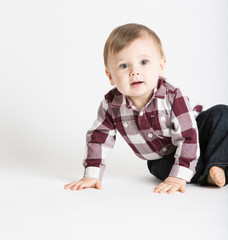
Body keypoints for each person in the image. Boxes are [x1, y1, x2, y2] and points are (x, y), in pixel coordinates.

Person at [64, 23, 228, 194]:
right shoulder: (111, 104)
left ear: (161, 66)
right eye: (124, 66)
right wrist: (92, 175)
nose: (135, 71)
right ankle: (208, 173)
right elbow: (98, 139)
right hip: (165, 156)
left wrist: (178, 177)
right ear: (110, 76)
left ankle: (218, 163)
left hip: (198, 133)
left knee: (222, 114)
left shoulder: (172, 95)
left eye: (144, 62)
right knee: (159, 168)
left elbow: (188, 137)